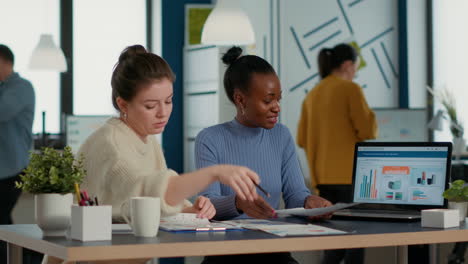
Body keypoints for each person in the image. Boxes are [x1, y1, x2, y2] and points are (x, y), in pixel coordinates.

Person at [44, 45, 261, 264]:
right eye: (150, 106)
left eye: (168, 101)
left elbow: (154, 203)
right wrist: (214, 173)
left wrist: (189, 209)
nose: (163, 113)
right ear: (122, 104)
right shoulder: (111, 146)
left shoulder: (146, 138)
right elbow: (150, 189)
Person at [195, 46, 332, 264]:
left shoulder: (281, 135)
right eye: (268, 101)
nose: (276, 108)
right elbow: (207, 206)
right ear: (240, 100)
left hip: (273, 251)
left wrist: (309, 202)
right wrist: (239, 203)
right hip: (226, 255)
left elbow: (295, 194)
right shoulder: (210, 139)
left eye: (278, 99)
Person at [297, 43, 378, 264]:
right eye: (355, 68)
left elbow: (301, 139)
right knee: (355, 241)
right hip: (350, 177)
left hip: (322, 180)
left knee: (332, 241)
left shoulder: (313, 94)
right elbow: (367, 130)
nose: (355, 73)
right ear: (347, 65)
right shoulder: (350, 89)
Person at [0, 44, 35, 263]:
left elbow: (2, 111)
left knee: (2, 221)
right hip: (4, 169)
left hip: (11, 169)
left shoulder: (21, 87)